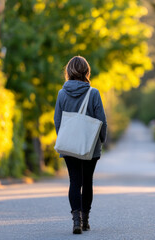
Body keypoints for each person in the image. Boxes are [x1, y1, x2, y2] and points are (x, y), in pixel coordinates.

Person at [54, 56, 107, 234]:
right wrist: (102, 139)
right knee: (87, 181)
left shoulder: (62, 94)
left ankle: (76, 220)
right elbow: (102, 120)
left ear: (68, 72)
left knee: (74, 181)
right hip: (90, 146)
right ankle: (85, 219)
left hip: (69, 145)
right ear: (87, 72)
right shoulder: (93, 93)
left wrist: (64, 139)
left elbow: (57, 121)